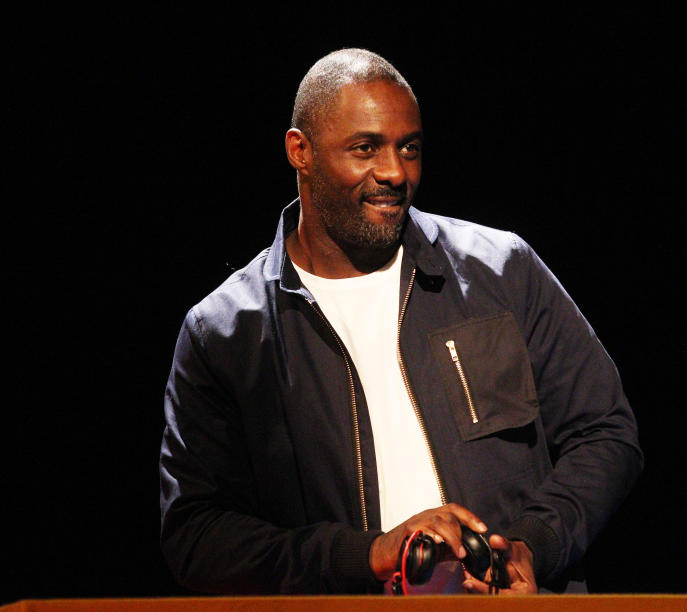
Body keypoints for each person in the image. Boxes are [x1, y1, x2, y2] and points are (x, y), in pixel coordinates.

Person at [159, 48, 642, 595]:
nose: (393, 172)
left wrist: (532, 544)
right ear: (301, 151)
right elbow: (198, 536)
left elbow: (606, 431)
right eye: (366, 148)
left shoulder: (501, 271)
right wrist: (366, 555)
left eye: (408, 148)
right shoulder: (227, 332)